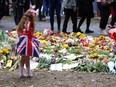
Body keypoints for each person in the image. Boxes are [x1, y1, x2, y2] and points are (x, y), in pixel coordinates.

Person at [16, 9, 39, 78]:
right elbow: (18, 31)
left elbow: (31, 33)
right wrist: (18, 39)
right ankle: (21, 72)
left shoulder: (31, 23)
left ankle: (28, 72)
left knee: (27, 56)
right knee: (23, 57)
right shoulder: (23, 21)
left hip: (28, 42)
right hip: (23, 41)